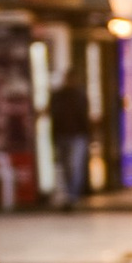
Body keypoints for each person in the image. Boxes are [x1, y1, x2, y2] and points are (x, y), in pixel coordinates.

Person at [48, 62, 94, 210]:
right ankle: (68, 194)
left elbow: (84, 116)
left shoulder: (80, 95)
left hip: (77, 135)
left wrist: (88, 134)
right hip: (62, 135)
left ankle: (72, 197)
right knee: (65, 167)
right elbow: (53, 115)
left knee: (74, 166)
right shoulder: (58, 95)